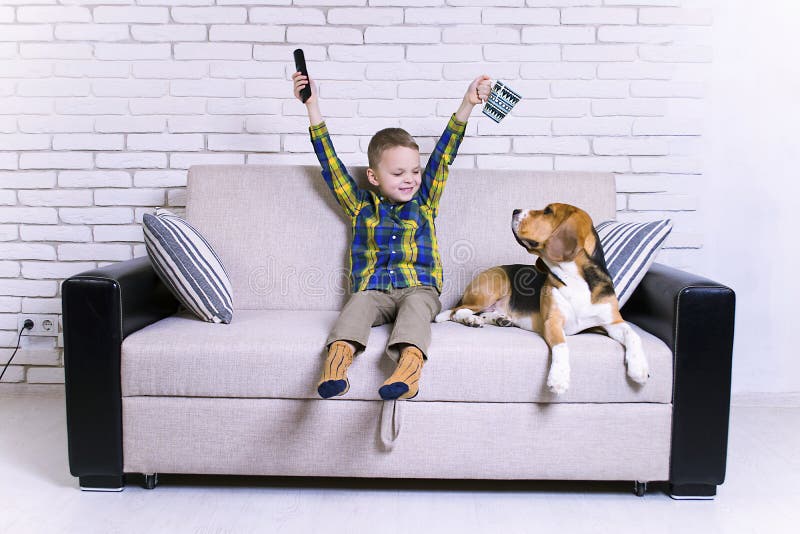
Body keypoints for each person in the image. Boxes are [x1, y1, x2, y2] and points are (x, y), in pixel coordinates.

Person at [292, 70, 492, 400]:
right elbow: (330, 165)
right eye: (398, 172)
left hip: (419, 287)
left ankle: (408, 371)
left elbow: (443, 157)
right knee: (357, 305)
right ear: (373, 176)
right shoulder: (360, 206)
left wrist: (466, 105)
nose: (409, 178)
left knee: (416, 309)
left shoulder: (425, 201)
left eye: (414, 171)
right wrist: (311, 106)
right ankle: (337, 365)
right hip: (374, 290)